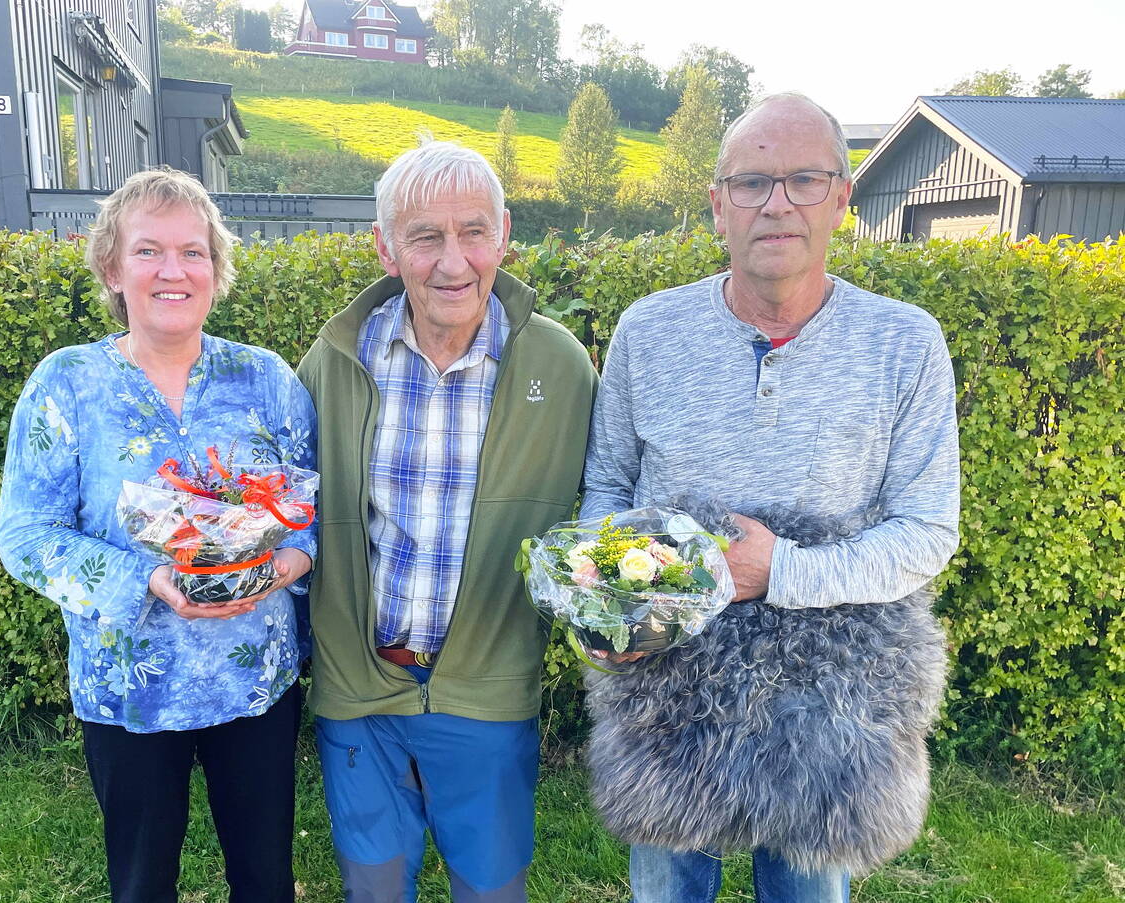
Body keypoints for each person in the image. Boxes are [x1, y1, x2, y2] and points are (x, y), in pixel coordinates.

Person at [581, 94, 960, 902]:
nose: (777, 202)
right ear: (718, 205)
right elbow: (608, 487)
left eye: (803, 179)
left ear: (842, 199)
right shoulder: (648, 333)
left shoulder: (904, 343)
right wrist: (607, 605)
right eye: (752, 182)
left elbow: (926, 531)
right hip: (667, 687)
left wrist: (778, 570)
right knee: (667, 887)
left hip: (835, 700)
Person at [0, 167, 316, 903]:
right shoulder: (67, 383)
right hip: (129, 687)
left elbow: (315, 510)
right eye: (148, 251)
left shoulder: (264, 379)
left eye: (192, 252)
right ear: (113, 266)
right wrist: (143, 578)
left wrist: (284, 564)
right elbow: (25, 533)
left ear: (216, 268)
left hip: (255, 678)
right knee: (141, 885)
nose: (173, 270)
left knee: (264, 880)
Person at [295, 140, 597, 902]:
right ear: (386, 247)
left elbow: (608, 511)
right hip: (362, 688)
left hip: (488, 690)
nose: (453, 261)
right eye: (425, 236)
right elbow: (282, 506)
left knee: (492, 889)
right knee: (373, 889)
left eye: (473, 231)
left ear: (504, 236)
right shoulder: (333, 360)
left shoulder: (560, 367)